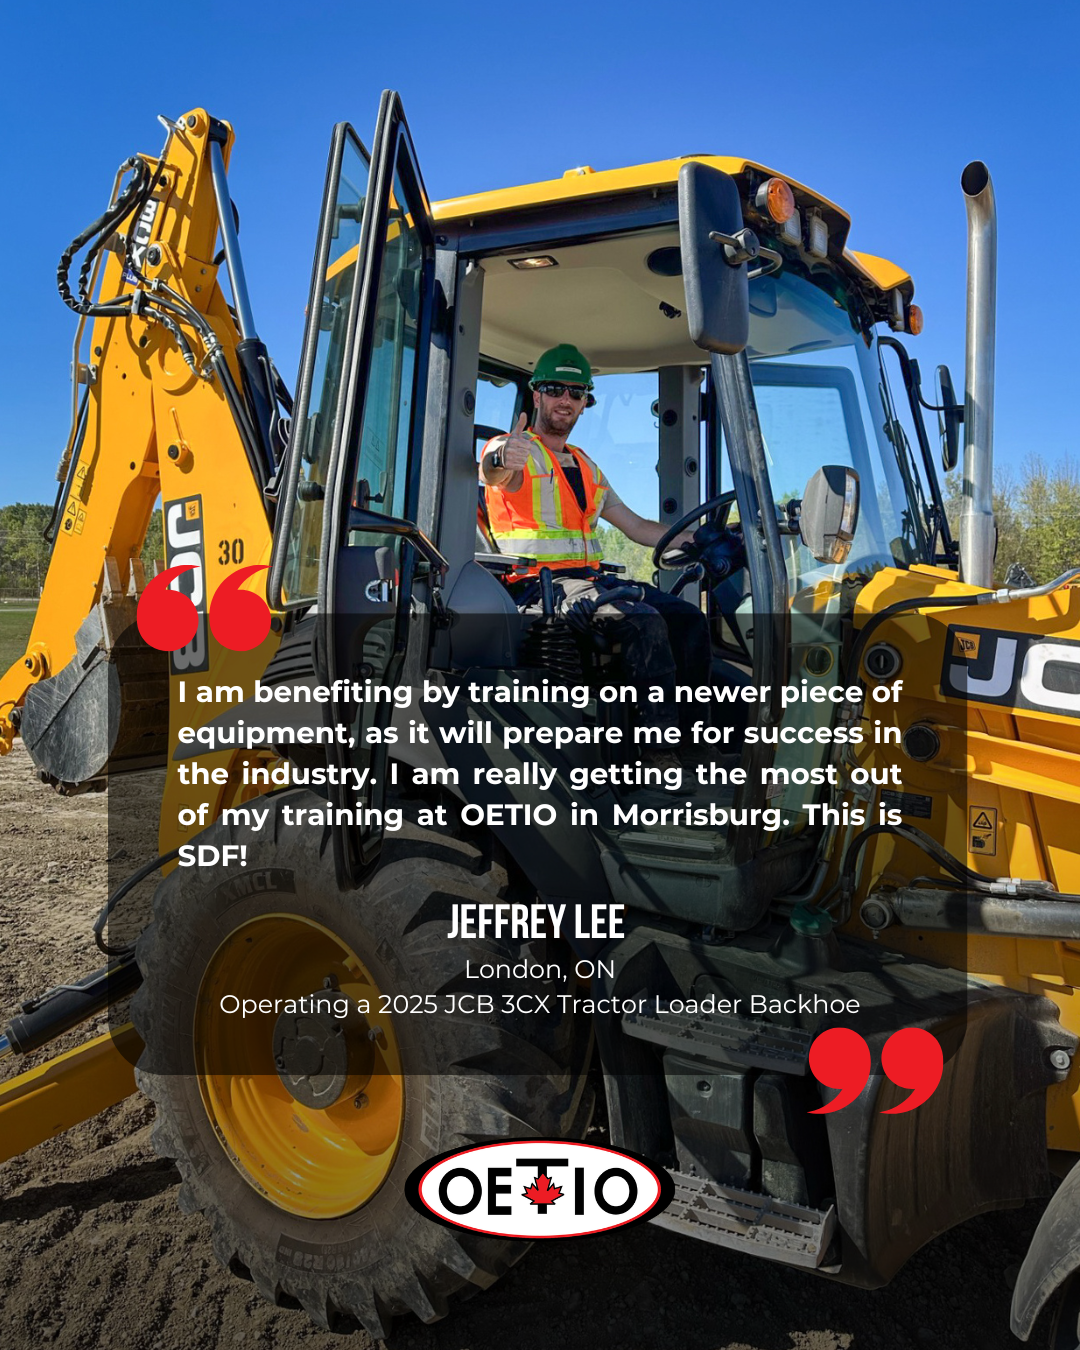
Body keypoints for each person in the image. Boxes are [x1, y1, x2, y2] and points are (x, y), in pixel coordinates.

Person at [479, 343, 712, 751]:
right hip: (537, 587)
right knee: (644, 622)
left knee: (688, 618)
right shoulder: (517, 450)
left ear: (586, 402)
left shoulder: (586, 464)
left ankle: (693, 745)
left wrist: (698, 540)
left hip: (590, 582)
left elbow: (636, 525)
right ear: (536, 395)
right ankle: (658, 758)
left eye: (576, 392)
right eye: (555, 389)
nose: (565, 400)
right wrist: (502, 455)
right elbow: (494, 471)